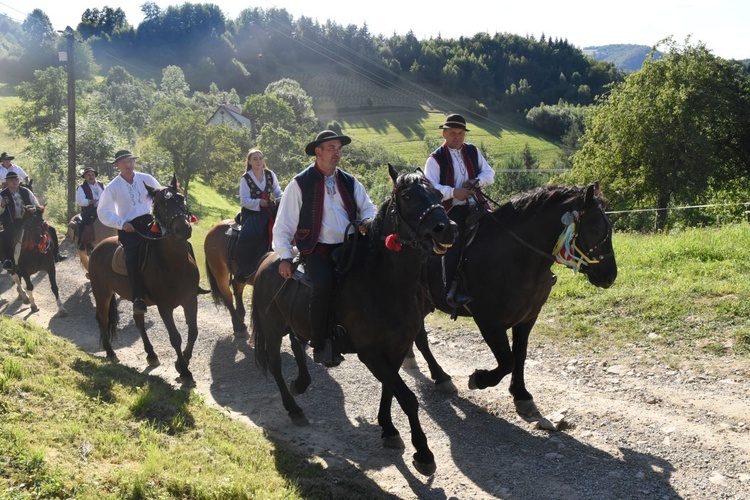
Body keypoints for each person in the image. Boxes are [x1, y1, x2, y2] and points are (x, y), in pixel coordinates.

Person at [273, 130, 377, 367]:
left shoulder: (350, 181)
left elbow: (369, 208)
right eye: (332, 148)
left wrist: (368, 221)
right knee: (323, 287)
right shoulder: (299, 183)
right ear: (318, 151)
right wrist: (285, 257)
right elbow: (284, 223)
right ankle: (320, 344)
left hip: (350, 248)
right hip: (317, 250)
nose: (337, 153)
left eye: (339, 148)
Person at [424, 113, 495, 309]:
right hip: (450, 210)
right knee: (455, 244)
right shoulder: (435, 159)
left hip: (477, 206)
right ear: (444, 134)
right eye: (453, 133)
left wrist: (476, 181)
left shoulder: (472, 150)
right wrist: (454, 192)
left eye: (461, 133)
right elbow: (430, 189)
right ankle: (453, 289)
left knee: (500, 231)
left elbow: (490, 173)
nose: (457, 137)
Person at [97, 150, 162, 315]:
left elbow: (162, 195)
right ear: (117, 165)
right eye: (124, 162)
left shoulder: (146, 178)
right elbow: (103, 211)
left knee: (175, 243)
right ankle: (139, 297)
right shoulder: (113, 187)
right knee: (132, 258)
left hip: (150, 222)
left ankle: (185, 283)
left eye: (130, 161)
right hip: (130, 228)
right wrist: (122, 223)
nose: (128, 164)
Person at [0, 171, 66, 271]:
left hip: (29, 219)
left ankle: (56, 254)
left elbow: (36, 204)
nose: (14, 182)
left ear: (19, 180)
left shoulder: (26, 191)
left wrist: (34, 208)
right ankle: (7, 261)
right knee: (5, 236)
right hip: (13, 221)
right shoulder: (2, 194)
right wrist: (2, 206)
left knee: (51, 230)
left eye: (16, 179)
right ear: (7, 182)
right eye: (11, 180)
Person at [235, 149, 283, 282]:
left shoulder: (270, 174)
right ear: (249, 162)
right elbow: (244, 201)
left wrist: (283, 198)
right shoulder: (245, 178)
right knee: (250, 234)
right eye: (255, 159)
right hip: (252, 212)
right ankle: (244, 267)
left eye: (260, 158)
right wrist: (259, 203)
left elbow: (277, 191)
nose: (258, 161)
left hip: (269, 208)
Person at [75, 166, 106, 251]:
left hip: (103, 208)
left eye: (92, 175)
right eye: (88, 175)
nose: (91, 176)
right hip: (89, 210)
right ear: (85, 177)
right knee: (84, 222)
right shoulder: (81, 187)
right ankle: (82, 242)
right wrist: (90, 202)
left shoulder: (101, 184)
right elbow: (80, 201)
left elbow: (108, 195)